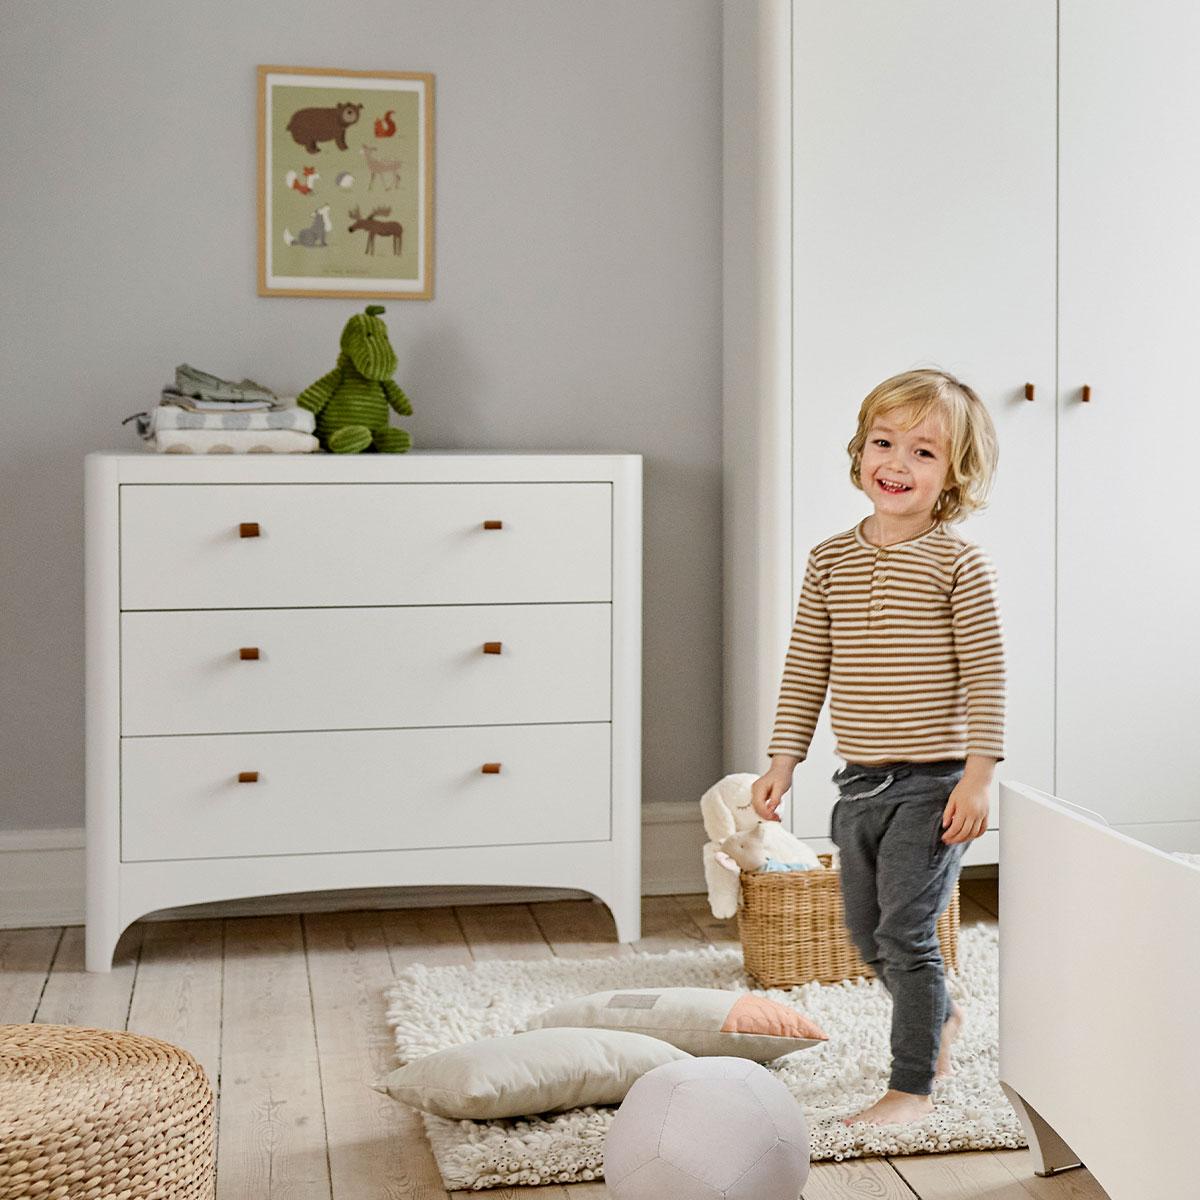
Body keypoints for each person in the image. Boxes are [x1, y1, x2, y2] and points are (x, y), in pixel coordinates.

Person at [751, 368, 1005, 1126]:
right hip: (857, 783)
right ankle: (939, 1014)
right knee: (866, 934)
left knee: (906, 931)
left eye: (924, 453)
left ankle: (912, 1086)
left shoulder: (959, 563)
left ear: (954, 475)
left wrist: (979, 780)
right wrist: (782, 759)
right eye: (884, 442)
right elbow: (806, 665)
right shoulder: (830, 560)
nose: (897, 462)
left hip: (934, 784)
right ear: (860, 450)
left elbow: (988, 676)